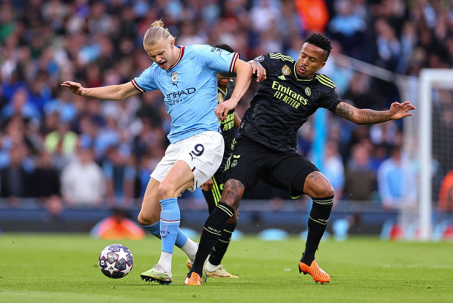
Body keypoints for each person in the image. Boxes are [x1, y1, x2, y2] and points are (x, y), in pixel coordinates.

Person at [185, 33, 415, 285]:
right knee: (229, 202)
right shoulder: (275, 62)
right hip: (249, 147)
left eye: (312, 59)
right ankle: (196, 271)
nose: (304, 61)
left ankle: (308, 259)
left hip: (282, 155)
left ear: (322, 64)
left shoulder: (322, 88)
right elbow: (245, 67)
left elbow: (356, 114)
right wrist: (252, 67)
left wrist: (388, 115)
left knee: (325, 190)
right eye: (303, 55)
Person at [61, 20, 252, 285]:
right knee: (147, 216)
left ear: (172, 42)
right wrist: (84, 91)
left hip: (206, 138)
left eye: (161, 53)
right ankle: (195, 252)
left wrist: (232, 101)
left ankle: (164, 267)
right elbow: (120, 90)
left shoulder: (199, 54)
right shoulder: (156, 72)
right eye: (152, 56)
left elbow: (244, 67)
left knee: (167, 190)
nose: (158, 59)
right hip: (177, 144)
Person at [186, 44, 241, 279]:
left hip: (227, 162)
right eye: (223, 71)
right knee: (227, 215)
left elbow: (232, 117)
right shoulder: (205, 94)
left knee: (226, 214)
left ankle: (208, 262)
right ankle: (205, 262)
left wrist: (247, 131)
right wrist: (205, 171)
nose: (227, 77)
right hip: (213, 166)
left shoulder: (223, 92)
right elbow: (198, 133)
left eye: (230, 72)